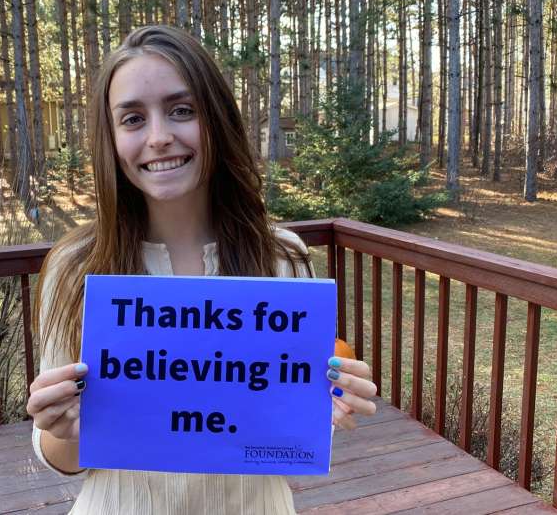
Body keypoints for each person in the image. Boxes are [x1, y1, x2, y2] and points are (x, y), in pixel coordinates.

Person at [26, 25, 377, 514]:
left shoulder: (284, 258)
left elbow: (286, 438)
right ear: (111, 139)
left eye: (181, 110)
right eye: (132, 119)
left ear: (217, 120)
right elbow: (64, 460)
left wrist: (331, 406)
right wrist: (60, 427)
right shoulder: (75, 268)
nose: (159, 137)